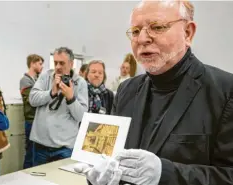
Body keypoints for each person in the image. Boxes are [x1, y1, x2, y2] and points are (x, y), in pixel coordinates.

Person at [76, 1, 233, 185]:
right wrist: (99, 177)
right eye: (135, 31)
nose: (142, 39)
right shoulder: (127, 90)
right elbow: (112, 160)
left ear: (188, 33)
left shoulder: (225, 92)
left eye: (157, 27)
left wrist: (166, 173)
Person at [29, 47, 88, 166]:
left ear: (71, 64)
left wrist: (71, 98)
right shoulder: (46, 76)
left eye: (62, 63)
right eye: (55, 62)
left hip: (64, 148)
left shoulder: (80, 83)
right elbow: (32, 99)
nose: (57, 67)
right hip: (41, 146)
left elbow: (81, 116)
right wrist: (51, 93)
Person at [19, 54, 44, 169]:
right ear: (32, 63)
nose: (42, 66)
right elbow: (33, 100)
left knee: (37, 153)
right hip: (31, 120)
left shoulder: (37, 80)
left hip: (38, 120)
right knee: (30, 153)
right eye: (39, 63)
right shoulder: (25, 80)